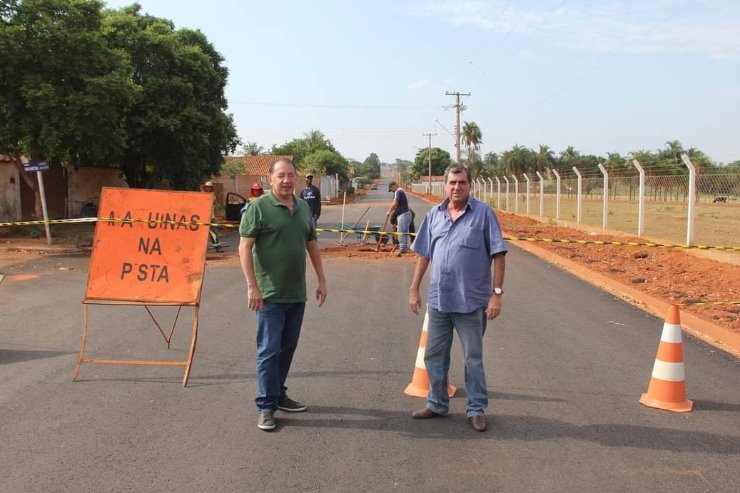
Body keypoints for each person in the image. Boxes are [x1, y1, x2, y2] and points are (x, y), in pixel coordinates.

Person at [408, 163, 507, 432]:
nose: (456, 187)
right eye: (452, 182)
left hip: (471, 303)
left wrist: (496, 294)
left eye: (461, 182)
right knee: (434, 356)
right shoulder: (434, 215)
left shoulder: (483, 214)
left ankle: (476, 408)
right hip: (439, 301)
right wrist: (414, 288)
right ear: (445, 185)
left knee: (472, 358)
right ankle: (437, 403)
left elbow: (498, 254)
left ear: (469, 185)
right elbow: (424, 254)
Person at [238, 158, 328, 431]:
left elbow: (311, 245)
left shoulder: (302, 208)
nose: (287, 180)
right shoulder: (258, 208)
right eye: (281, 176)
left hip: (295, 293)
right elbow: (244, 247)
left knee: (288, 348)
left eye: (291, 175)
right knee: (268, 351)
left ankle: (278, 394)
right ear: (270, 179)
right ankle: (266, 407)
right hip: (268, 295)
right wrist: (252, 286)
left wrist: (321, 280)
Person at [385, 181, 412, 254]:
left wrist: (389, 211)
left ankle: (402, 249)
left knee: (401, 232)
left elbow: (395, 203)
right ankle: (403, 247)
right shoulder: (401, 191)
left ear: (394, 185)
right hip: (405, 214)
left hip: (404, 214)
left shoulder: (398, 191)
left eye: (391, 189)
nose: (392, 191)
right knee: (404, 232)